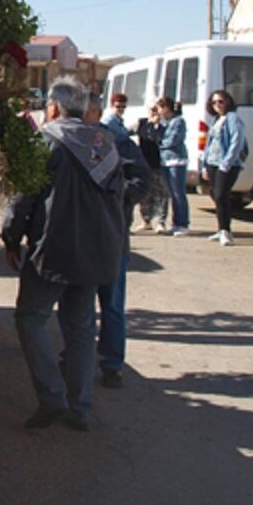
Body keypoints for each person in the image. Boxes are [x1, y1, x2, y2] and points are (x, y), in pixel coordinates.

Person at [1, 77, 126, 431]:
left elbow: (23, 198)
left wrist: (11, 239)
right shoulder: (106, 144)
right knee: (81, 328)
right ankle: (80, 408)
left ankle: (52, 397)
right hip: (97, 251)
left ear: (53, 107)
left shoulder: (48, 140)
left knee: (30, 318)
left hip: (54, 249)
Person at [82, 90, 151, 391]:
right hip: (84, 237)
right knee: (80, 303)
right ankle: (78, 357)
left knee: (111, 303)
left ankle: (112, 364)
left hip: (113, 237)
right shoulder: (76, 142)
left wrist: (116, 200)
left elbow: (142, 179)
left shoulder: (116, 141)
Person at [201, 88, 245, 246]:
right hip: (212, 162)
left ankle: (226, 231)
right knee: (217, 196)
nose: (217, 105)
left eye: (221, 101)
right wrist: (204, 165)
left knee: (221, 195)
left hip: (227, 164)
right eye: (214, 102)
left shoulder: (232, 118)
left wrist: (227, 163)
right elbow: (209, 143)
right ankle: (221, 229)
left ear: (227, 102)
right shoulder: (215, 120)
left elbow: (236, 141)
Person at [155, 97, 190, 236]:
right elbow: (155, 135)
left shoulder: (178, 121)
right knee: (171, 193)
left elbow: (174, 139)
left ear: (166, 108)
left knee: (178, 192)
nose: (158, 111)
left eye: (160, 108)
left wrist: (161, 143)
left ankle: (183, 223)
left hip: (176, 160)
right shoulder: (163, 122)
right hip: (165, 160)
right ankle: (176, 223)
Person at [133, 104, 167, 232]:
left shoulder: (164, 125)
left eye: (156, 110)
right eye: (151, 110)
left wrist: (158, 124)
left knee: (161, 194)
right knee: (145, 194)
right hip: (145, 163)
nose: (154, 113)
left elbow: (162, 139)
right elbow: (126, 132)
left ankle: (160, 222)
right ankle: (146, 220)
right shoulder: (142, 123)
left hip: (160, 164)